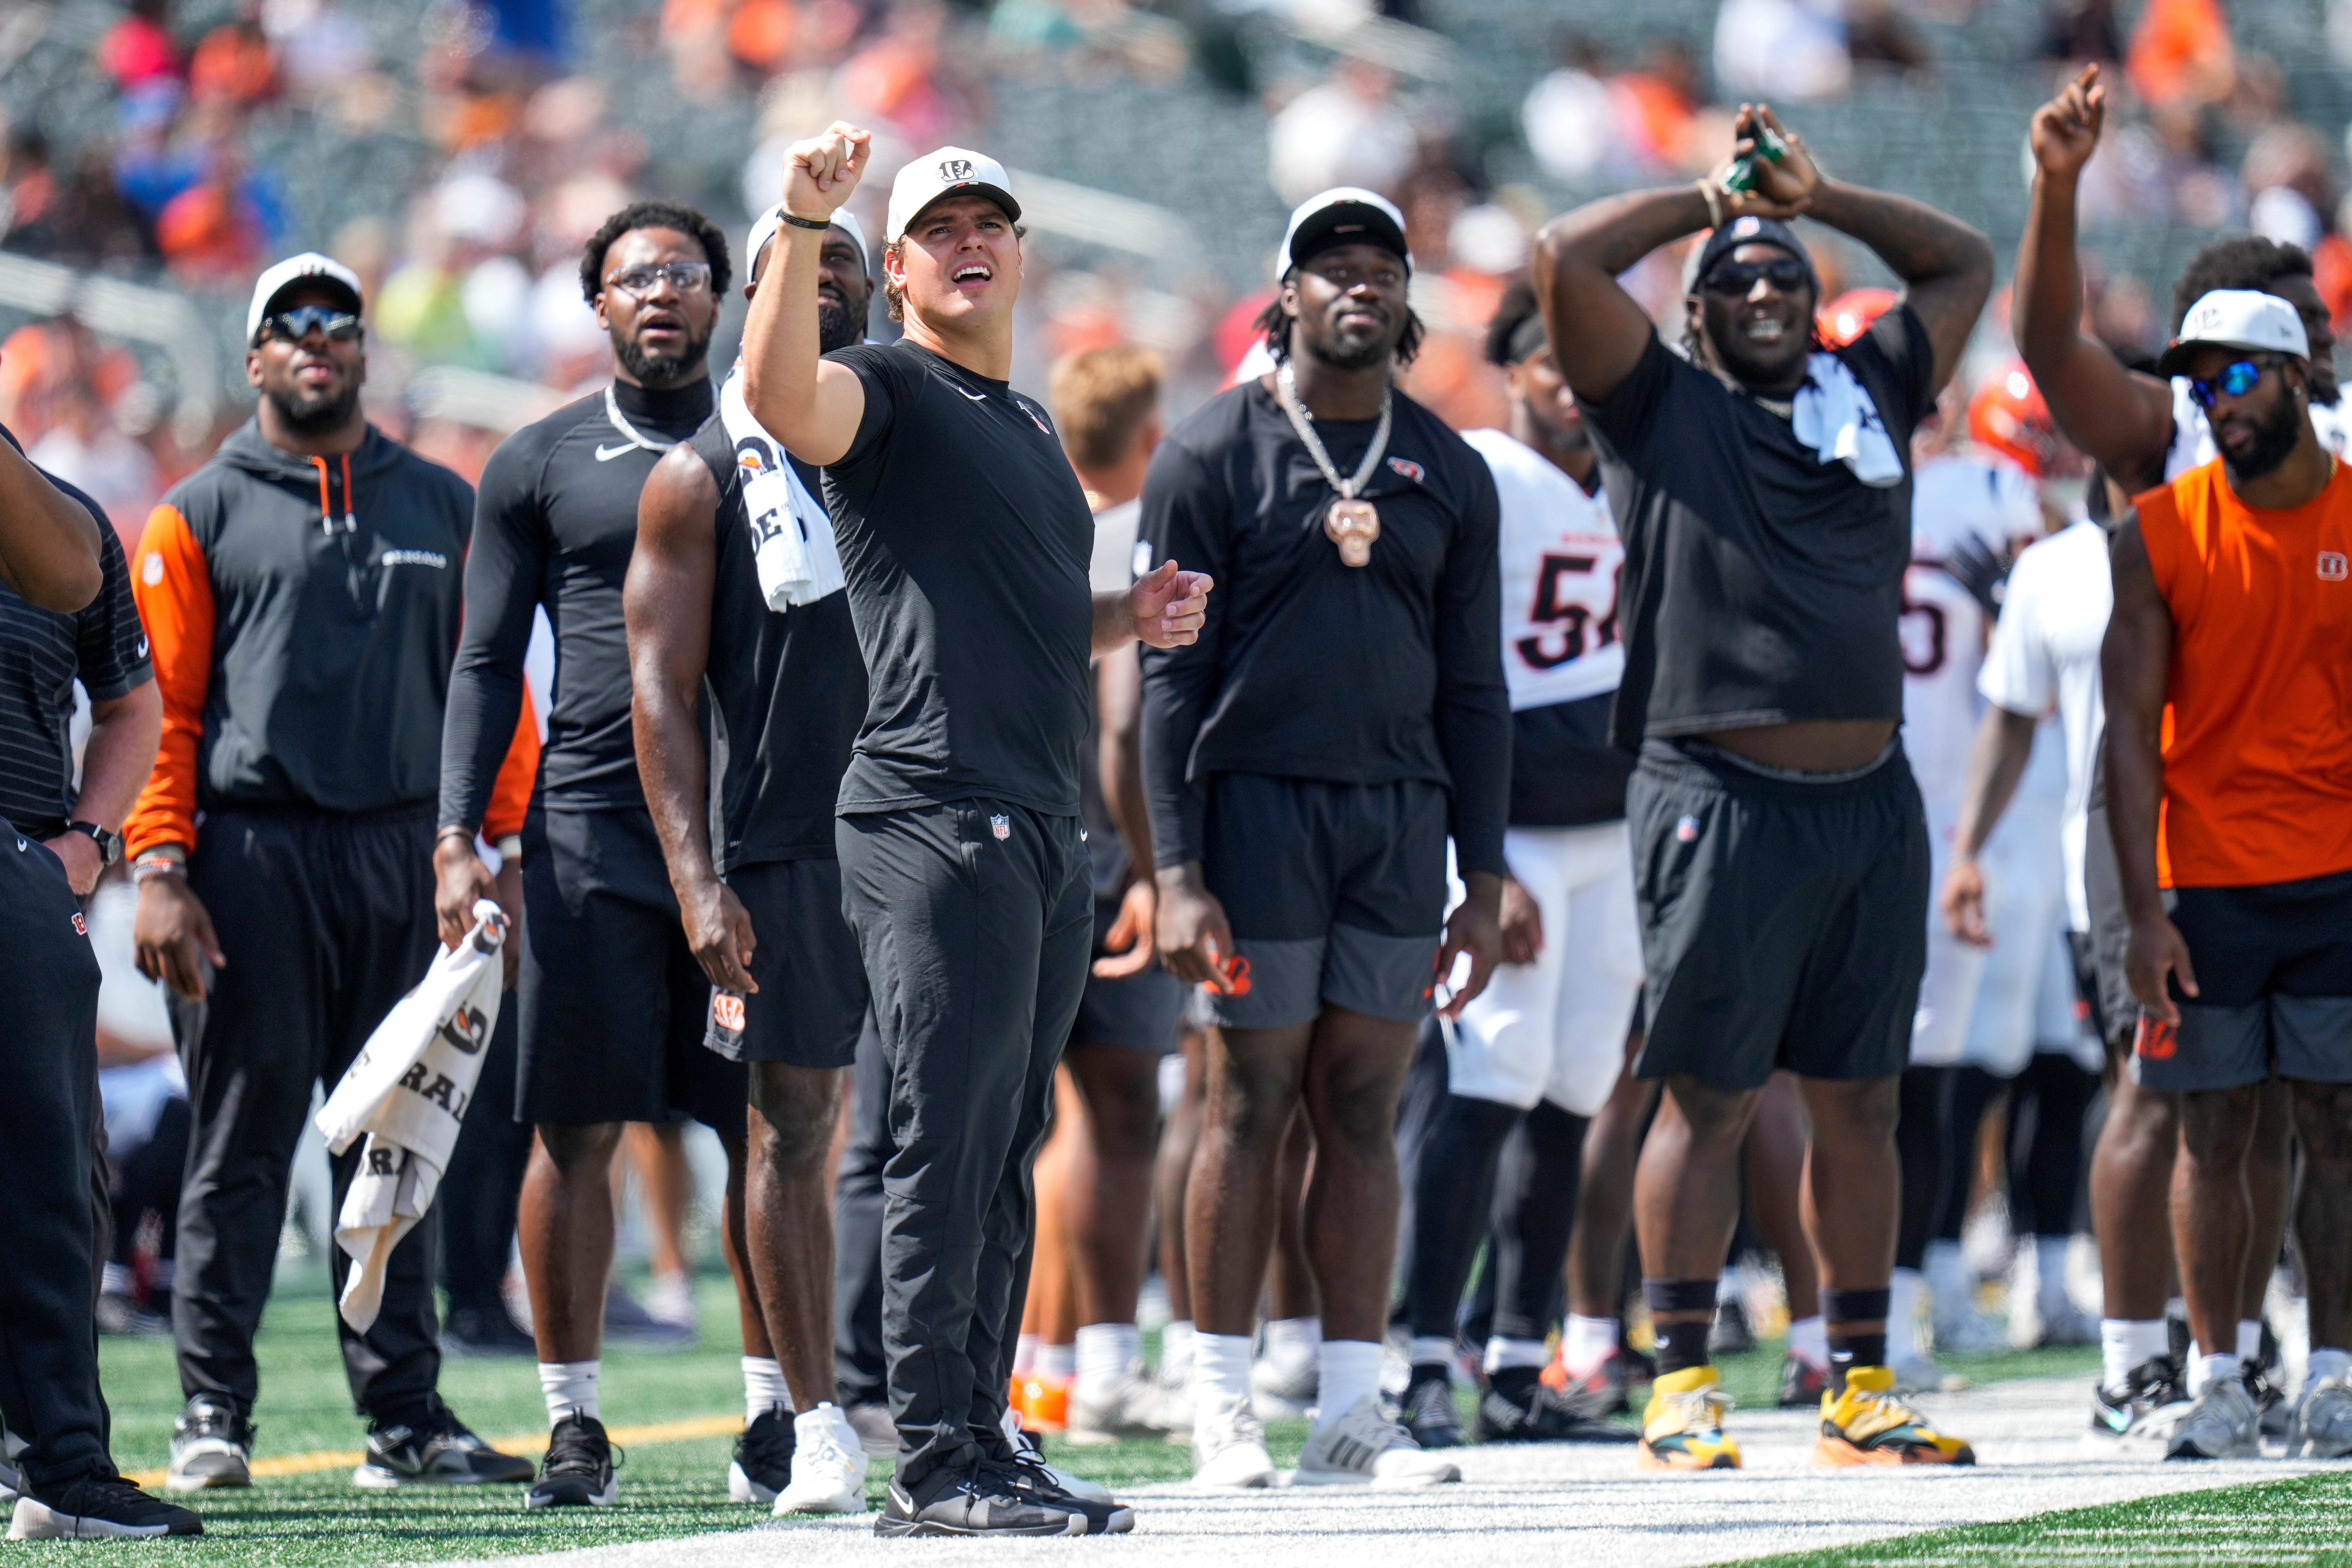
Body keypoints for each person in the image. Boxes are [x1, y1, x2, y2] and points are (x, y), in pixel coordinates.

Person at [738, 125, 1209, 1537]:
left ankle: (985, 1433)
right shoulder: (884, 383)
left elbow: (1030, 624)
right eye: (941, 225)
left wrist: (1133, 617)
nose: (970, 238)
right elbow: (770, 395)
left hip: (1036, 824)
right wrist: (798, 218)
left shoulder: (1023, 424)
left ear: (1021, 250)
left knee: (1004, 1147)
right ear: (896, 267)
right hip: (934, 813)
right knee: (946, 1141)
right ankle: (935, 1457)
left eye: (990, 218)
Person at [1532, 102, 1992, 1470]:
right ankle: (1679, 1379)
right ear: (1696, 313)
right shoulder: (1661, 406)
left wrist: (1819, 196)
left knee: (1862, 1096)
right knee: (1711, 1094)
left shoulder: (1875, 394)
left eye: (1785, 276)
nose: (1765, 292)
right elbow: (1564, 255)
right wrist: (1712, 203)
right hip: (1715, 789)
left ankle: (1857, 1379)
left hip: (1872, 792)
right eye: (1736, 282)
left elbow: (1966, 265)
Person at [127, 252, 538, 1494]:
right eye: (290, 324)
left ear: (366, 348)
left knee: (403, 1145)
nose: (318, 340)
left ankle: (403, 1415)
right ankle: (212, 1407)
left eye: (339, 322)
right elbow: (163, 711)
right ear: (254, 357)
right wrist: (158, 864)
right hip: (253, 853)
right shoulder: (194, 511)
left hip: (415, 854)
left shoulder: (444, 502)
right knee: (244, 1140)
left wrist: (499, 842)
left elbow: (493, 692)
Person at [1144, 185, 1508, 1489]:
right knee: (1246, 1106)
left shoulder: (1451, 466)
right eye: (1329, 265)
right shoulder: (1208, 453)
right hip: (1257, 812)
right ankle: (1223, 1403)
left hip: (1401, 822)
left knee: (1363, 1107)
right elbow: (1168, 680)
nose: (1357, 283)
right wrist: (1176, 869)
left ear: (1409, 298)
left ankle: (1356, 1404)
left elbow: (1475, 687)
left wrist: (1489, 871)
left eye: (1380, 266)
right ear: (1284, 292)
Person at [432, 201, 769, 1510]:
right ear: (596, 303)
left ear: (725, 294)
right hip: (587, 837)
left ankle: (775, 1413)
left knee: (765, 1129)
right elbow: (480, 662)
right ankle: (573, 1422)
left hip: (751, 833)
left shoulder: (781, 437)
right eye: (635, 278)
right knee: (573, 1127)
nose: (662, 296)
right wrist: (462, 836)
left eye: (684, 273)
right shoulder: (536, 460)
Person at [2012, 63, 2309, 1432]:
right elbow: (2051, 352)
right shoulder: (2172, 430)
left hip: (2308, 816)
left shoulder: (2328, 452)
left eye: (2291, 336)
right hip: (2162, 807)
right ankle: (2144, 1353)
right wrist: (2058, 191)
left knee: (2293, 1112)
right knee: (2161, 1092)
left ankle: (2241, 1347)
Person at [624, 203, 877, 1514]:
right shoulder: (703, 470)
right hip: (792, 845)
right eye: (798, 266)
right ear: (756, 295)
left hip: (945, 832)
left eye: (846, 264)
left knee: (973, 1125)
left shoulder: (931, 438)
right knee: (791, 1130)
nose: (824, 285)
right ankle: (812, 1417)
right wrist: (695, 874)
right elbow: (658, 692)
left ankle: (968, 1401)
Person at [2100, 288, 2352, 1463]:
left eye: (2239, 377)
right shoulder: (2157, 529)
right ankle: (2218, 1375)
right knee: (2213, 1129)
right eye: (2200, 384)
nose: (2216, 403)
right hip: (2205, 881)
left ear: (2300, 378)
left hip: (2340, 871)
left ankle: (2337, 1374)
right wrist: (2141, 916)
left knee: (2338, 1129)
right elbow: (2127, 731)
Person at [1397, 278, 1639, 1451]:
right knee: (1487, 1086)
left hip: (1617, 831)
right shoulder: (1481, 468)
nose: (1572, 380)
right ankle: (1422, 1354)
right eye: (1551, 359)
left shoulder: (1643, 476)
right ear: (1511, 367)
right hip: (1520, 830)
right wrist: (1474, 860)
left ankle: (1512, 1359)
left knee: (1575, 1094)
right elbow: (1438, 666)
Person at [0, 425, 198, 1540]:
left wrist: (82, 845)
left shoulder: (62, 514)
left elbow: (131, 703)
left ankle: (59, 1467)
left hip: (21, 867)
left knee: (47, 1180)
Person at [1883, 367, 2053, 1387]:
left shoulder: (1993, 488)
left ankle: (1893, 1314)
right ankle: (1852, 1323)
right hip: (1887, 811)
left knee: (1924, 1086)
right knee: (1864, 1088)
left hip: (1947, 817)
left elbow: (2029, 666)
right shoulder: (1974, 490)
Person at [1040, 345, 1192, 1446]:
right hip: (1109, 855)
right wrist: (1154, 864)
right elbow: (1129, 733)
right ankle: (1101, 1359)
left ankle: (1041, 1363)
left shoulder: (1039, 521)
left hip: (1028, 848)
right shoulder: (1140, 540)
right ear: (1147, 436)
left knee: (1045, 1126)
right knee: (1120, 1116)